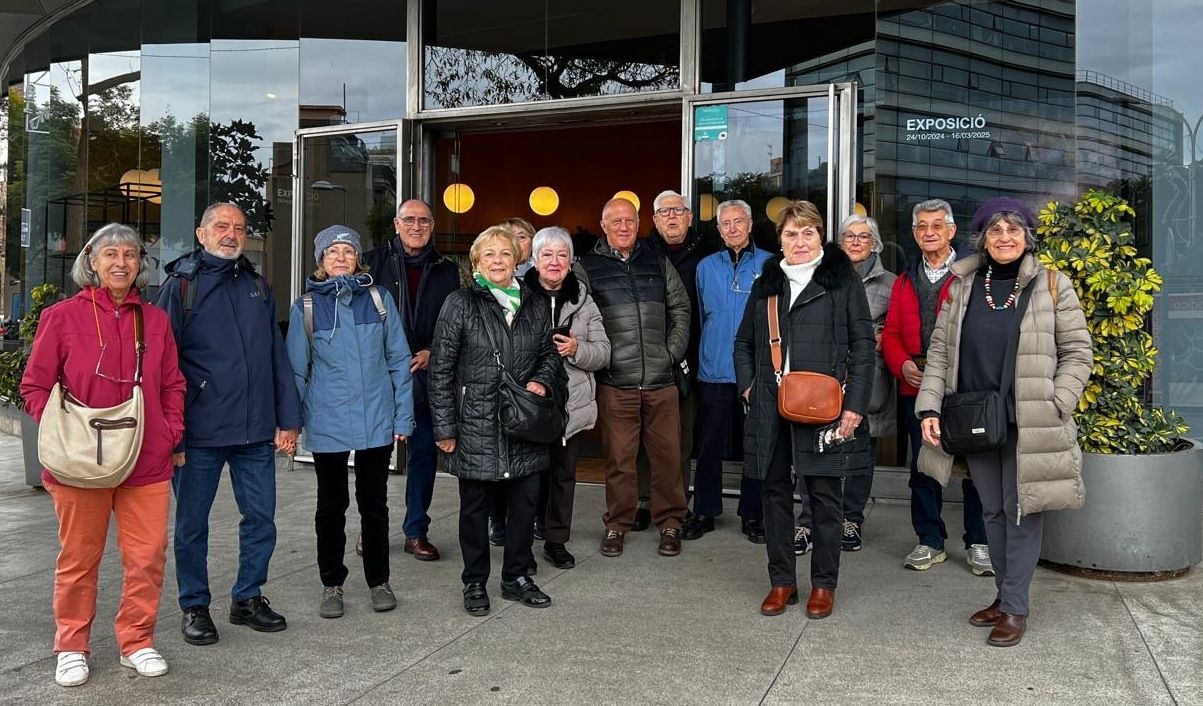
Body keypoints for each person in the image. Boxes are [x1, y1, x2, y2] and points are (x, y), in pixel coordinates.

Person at [917, 197, 1091, 647]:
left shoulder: (1053, 285)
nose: (1005, 237)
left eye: (1014, 230)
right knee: (992, 509)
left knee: (1023, 511)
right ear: (983, 238)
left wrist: (1059, 400)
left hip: (1029, 419)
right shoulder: (962, 285)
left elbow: (1078, 352)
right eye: (996, 230)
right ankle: (1003, 594)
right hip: (976, 419)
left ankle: (1015, 607)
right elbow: (939, 353)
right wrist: (930, 407)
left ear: (1027, 237)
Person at [22, 224, 186, 686]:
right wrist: (59, 431)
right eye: (110, 254)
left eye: (130, 255)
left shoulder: (154, 320)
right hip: (78, 463)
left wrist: (169, 432)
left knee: (147, 557)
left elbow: (173, 383)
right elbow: (35, 385)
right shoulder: (61, 317)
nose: (121, 263)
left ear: (140, 265)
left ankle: (137, 641)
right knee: (78, 558)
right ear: (91, 262)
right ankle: (72, 645)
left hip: (145, 461)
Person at [157, 202, 302, 646]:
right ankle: (194, 605)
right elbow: (164, 368)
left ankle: (247, 597)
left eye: (239, 227)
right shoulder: (180, 286)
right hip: (199, 434)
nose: (230, 234)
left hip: (256, 431)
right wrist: (174, 434)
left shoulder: (258, 285)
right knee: (192, 524)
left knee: (261, 518)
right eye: (221, 226)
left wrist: (288, 419)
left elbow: (277, 356)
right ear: (201, 234)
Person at [734, 201, 875, 620]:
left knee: (824, 497)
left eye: (808, 233)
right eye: (791, 234)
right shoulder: (767, 284)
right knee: (774, 495)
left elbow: (865, 347)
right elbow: (743, 343)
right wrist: (748, 387)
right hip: (770, 406)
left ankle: (823, 585)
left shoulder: (842, 282)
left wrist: (855, 407)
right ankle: (782, 582)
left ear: (820, 237)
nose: (799, 241)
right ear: (780, 240)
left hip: (825, 407)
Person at [429, 226, 563, 615]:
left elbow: (550, 354)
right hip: (476, 423)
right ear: (476, 263)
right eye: (489, 255)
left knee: (524, 504)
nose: (498, 261)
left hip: (523, 422)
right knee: (474, 510)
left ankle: (517, 576)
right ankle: (474, 582)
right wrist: (444, 429)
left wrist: (540, 380)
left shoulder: (535, 303)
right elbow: (440, 370)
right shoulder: (460, 303)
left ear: (517, 259)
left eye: (505, 253)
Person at [284, 225, 414, 619]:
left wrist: (403, 415)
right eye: (332, 252)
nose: (340, 257)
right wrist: (292, 423)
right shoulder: (306, 307)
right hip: (327, 420)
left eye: (347, 251)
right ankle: (332, 583)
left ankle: (379, 580)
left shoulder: (379, 299)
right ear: (321, 262)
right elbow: (296, 371)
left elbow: (398, 361)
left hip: (375, 416)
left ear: (358, 258)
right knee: (331, 506)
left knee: (374, 505)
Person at [575, 197, 691, 558]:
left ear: (639, 223)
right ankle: (618, 524)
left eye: (630, 220)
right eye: (616, 221)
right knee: (620, 461)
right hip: (616, 382)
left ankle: (671, 522)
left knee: (668, 458)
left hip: (661, 380)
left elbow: (680, 308)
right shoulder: (587, 267)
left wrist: (671, 353)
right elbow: (580, 318)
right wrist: (604, 360)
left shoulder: (657, 260)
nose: (624, 227)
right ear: (604, 224)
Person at [881, 199, 992, 576]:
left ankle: (979, 542)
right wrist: (903, 365)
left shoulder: (973, 275)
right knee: (923, 469)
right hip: (918, 388)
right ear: (914, 234)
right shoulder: (904, 280)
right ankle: (929, 540)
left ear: (951, 231)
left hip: (965, 389)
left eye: (936, 225)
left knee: (975, 470)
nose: (929, 232)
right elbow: (892, 332)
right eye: (921, 227)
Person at [363, 199, 464, 561]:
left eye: (424, 220)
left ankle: (415, 531)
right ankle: (370, 531)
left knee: (422, 455)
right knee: (373, 459)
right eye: (409, 220)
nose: (416, 226)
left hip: (426, 378)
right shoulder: (371, 263)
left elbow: (456, 322)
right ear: (396, 223)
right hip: (380, 377)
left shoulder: (447, 270)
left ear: (433, 225)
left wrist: (432, 351)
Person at [793, 215, 897, 554]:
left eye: (863, 236)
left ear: (875, 243)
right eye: (849, 236)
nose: (855, 242)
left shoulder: (891, 284)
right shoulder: (822, 276)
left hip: (867, 379)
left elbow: (896, 332)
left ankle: (851, 518)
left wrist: (876, 339)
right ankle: (809, 520)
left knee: (858, 452)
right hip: (824, 377)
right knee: (814, 448)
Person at [523, 226, 611, 569]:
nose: (555, 262)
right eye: (547, 255)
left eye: (562, 255)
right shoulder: (519, 297)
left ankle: (557, 540)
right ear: (534, 261)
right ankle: (524, 543)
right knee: (528, 480)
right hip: (531, 405)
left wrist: (576, 349)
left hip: (570, 406)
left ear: (572, 262)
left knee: (563, 478)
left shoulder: (583, 300)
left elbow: (603, 353)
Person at [683, 199, 770, 543]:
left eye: (739, 221)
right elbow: (703, 314)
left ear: (750, 225)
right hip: (714, 369)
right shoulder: (705, 267)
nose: (732, 228)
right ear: (718, 229)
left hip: (755, 372)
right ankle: (705, 510)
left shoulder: (770, 264)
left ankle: (753, 513)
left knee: (756, 445)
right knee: (709, 446)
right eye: (725, 223)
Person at [636, 190, 716, 530]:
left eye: (679, 210)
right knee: (643, 436)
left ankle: (675, 504)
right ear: (654, 220)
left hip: (693, 357)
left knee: (680, 436)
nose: (672, 216)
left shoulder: (708, 254)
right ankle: (642, 501)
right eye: (664, 211)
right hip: (647, 359)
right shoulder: (640, 253)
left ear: (689, 217)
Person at [489, 218, 539, 544]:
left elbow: (545, 347)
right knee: (494, 462)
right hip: (490, 390)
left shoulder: (533, 288)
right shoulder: (475, 293)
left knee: (524, 464)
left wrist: (541, 379)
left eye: (521, 237)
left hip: (527, 389)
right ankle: (496, 520)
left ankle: (523, 531)